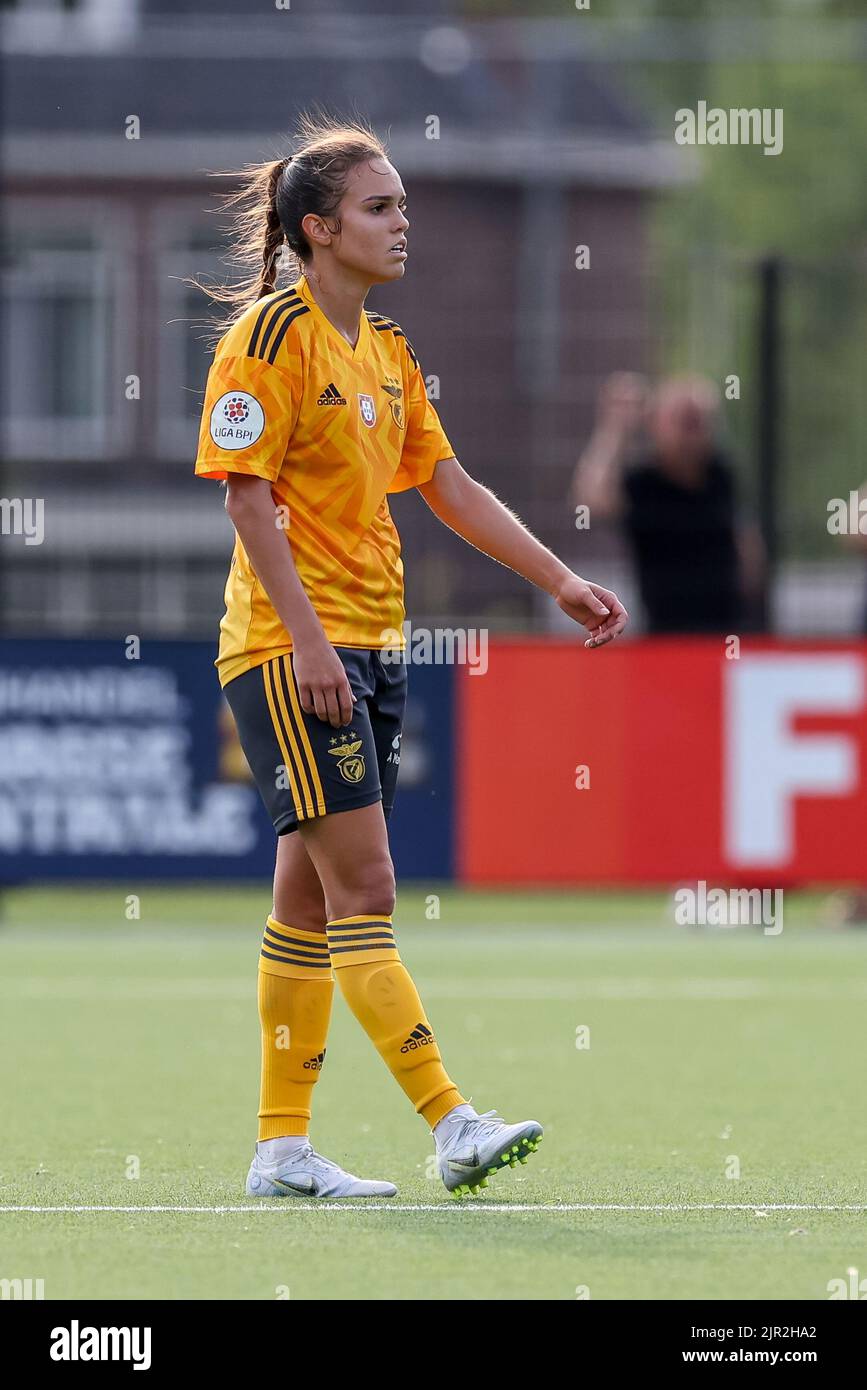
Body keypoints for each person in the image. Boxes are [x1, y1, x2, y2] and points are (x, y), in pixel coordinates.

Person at [194, 113, 628, 1201]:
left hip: (369, 643)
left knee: (305, 900)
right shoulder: (270, 338)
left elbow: (450, 486)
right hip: (297, 650)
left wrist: (558, 580)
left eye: (402, 204)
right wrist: (305, 643)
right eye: (380, 206)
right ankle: (451, 1122)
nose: (403, 223)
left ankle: (282, 1149)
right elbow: (248, 504)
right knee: (370, 885)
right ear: (318, 228)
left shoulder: (387, 351)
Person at [570, 372, 763, 633]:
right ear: (655, 424)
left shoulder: (721, 478)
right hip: (664, 634)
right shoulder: (644, 483)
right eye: (683, 422)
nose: (691, 436)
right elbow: (591, 499)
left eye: (698, 422)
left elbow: (749, 553)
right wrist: (615, 428)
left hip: (725, 629)